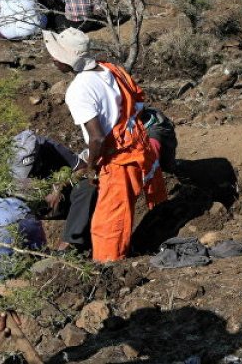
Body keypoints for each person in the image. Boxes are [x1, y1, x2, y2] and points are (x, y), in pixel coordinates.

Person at [43, 28, 167, 262]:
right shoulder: (109, 69)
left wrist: (90, 168)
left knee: (110, 225)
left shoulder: (79, 89)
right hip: (134, 146)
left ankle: (109, 268)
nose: (52, 59)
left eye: (56, 55)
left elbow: (97, 138)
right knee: (112, 213)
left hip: (119, 157)